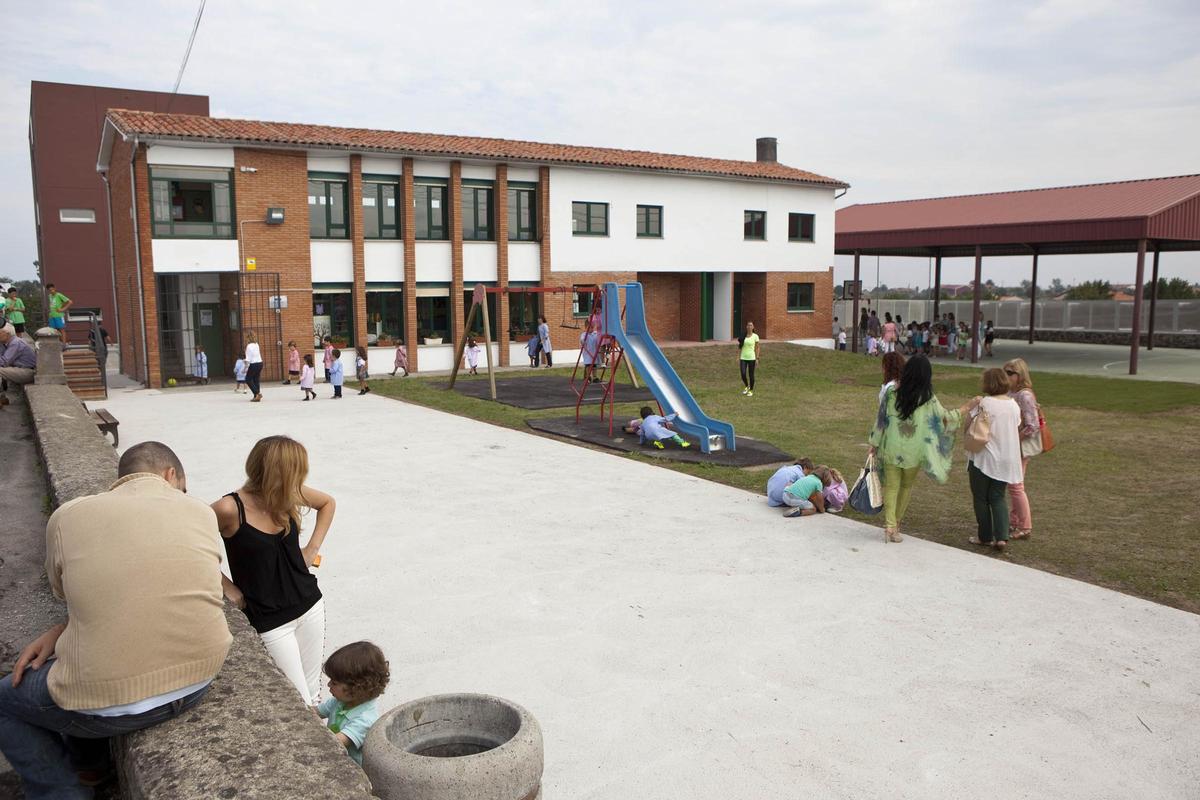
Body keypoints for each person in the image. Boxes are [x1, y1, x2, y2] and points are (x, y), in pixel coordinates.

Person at [0, 442, 231, 798]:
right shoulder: (200, 511)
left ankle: (61, 791)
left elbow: (66, 594)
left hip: (109, 702)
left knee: (7, 700)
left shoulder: (69, 516)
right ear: (171, 476)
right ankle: (90, 768)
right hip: (200, 678)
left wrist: (59, 630)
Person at [211, 436, 334, 705]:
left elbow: (328, 503)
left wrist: (311, 549)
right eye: (296, 471)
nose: (300, 479)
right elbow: (192, 543)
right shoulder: (229, 508)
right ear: (275, 471)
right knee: (298, 702)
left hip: (310, 604)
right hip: (269, 621)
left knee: (312, 697)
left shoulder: (287, 493)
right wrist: (224, 584)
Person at [868, 355, 976, 543]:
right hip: (914, 452)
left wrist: (873, 444)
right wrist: (967, 407)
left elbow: (881, 421)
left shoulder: (892, 392)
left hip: (891, 448)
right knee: (906, 487)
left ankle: (889, 525)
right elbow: (945, 418)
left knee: (891, 488)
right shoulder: (928, 398)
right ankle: (896, 525)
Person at [966, 369, 1024, 551]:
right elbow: (1017, 424)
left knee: (981, 498)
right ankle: (1001, 536)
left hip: (984, 456)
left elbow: (968, 425)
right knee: (998, 496)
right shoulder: (1013, 405)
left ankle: (985, 535)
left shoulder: (984, 403)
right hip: (1007, 457)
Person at [317, 641, 390, 766]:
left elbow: (336, 742)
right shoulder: (339, 701)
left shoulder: (365, 720)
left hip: (350, 770)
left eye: (334, 683)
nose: (328, 685)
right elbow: (314, 712)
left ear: (357, 688)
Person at [1005, 358, 1040, 540]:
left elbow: (1032, 426)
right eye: (1005, 372)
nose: (1006, 376)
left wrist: (1014, 439)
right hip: (1010, 445)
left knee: (1016, 486)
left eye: (1010, 373)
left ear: (1020, 375)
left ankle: (1025, 526)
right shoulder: (1011, 392)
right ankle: (1014, 521)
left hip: (1018, 446)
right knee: (1013, 485)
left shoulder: (1024, 395)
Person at [0, 324, 37, 407]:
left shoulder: (16, 343)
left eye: (0, 333)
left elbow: (4, 361)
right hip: (18, 369)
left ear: (8, 333)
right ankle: (5, 399)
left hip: (28, 372)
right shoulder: (4, 343)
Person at [738, 321, 760, 397]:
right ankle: (747, 386)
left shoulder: (755, 336)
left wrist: (757, 358)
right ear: (746, 327)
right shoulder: (743, 335)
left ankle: (751, 390)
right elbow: (740, 346)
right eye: (748, 325)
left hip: (752, 358)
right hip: (743, 357)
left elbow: (757, 348)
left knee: (751, 375)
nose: (749, 326)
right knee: (743, 374)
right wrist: (738, 356)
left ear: (753, 327)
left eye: (751, 325)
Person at [244, 332, 263, 402]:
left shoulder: (249, 346)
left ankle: (257, 393)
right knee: (256, 379)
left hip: (253, 364)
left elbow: (248, 359)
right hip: (260, 363)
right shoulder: (256, 344)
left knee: (248, 379)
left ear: (248, 338)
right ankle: (256, 397)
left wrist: (245, 368)